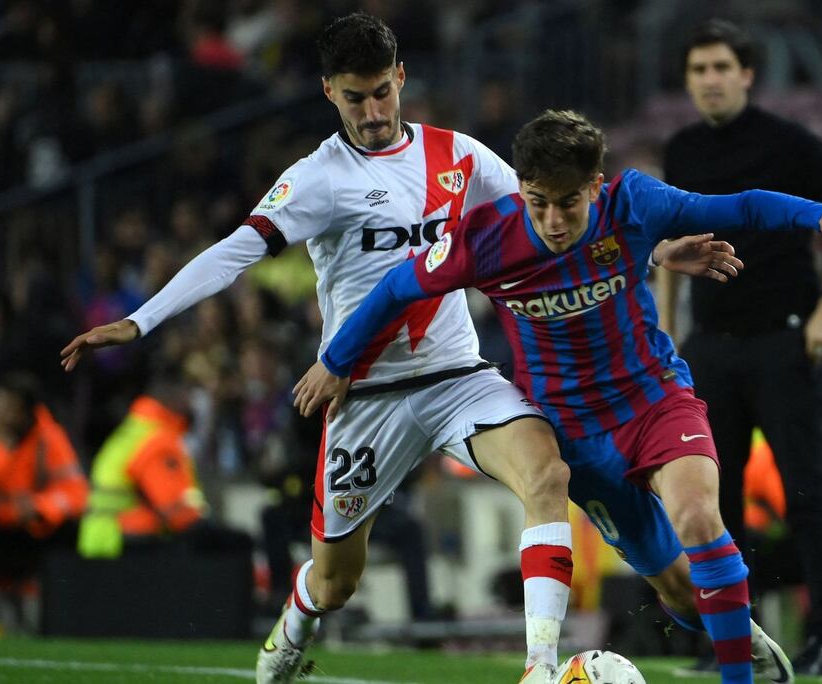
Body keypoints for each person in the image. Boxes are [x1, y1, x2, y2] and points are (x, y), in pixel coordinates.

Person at [59, 12, 726, 684]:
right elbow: (236, 251)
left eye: (383, 91)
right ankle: (290, 633)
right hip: (364, 395)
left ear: (401, 77)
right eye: (356, 97)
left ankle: (540, 668)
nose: (374, 110)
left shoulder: (459, 155)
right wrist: (141, 321)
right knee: (336, 581)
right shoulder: (317, 178)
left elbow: (560, 210)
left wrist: (655, 244)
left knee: (548, 475)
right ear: (329, 93)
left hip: (458, 376)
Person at [295, 108, 822, 684]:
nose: (552, 220)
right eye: (537, 201)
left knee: (702, 517)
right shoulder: (484, 239)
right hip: (578, 439)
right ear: (521, 188)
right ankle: (737, 631)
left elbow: (740, 205)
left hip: (654, 400)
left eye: (568, 202)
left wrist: (819, 215)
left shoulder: (634, 203)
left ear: (595, 187)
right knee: (678, 589)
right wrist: (337, 361)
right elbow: (398, 286)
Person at [660, 19, 822, 678]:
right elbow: (670, 245)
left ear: (747, 74)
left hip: (784, 338)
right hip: (711, 347)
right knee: (712, 507)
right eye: (699, 70)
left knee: (808, 494)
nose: (710, 80)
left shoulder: (791, 143)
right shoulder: (681, 150)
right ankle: (727, 640)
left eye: (722, 67)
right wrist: (668, 331)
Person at [0, 373, 88, 634]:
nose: (1, 414)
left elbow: (77, 493)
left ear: (26, 413)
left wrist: (40, 507)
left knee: (73, 530)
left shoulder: (47, 437)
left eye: (11, 408)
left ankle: (62, 621)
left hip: (29, 528)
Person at [76, 375, 208, 559]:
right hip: (128, 538)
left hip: (100, 536)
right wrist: (204, 526)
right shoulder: (158, 439)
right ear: (173, 398)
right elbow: (172, 509)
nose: (192, 404)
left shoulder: (135, 428)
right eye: (189, 396)